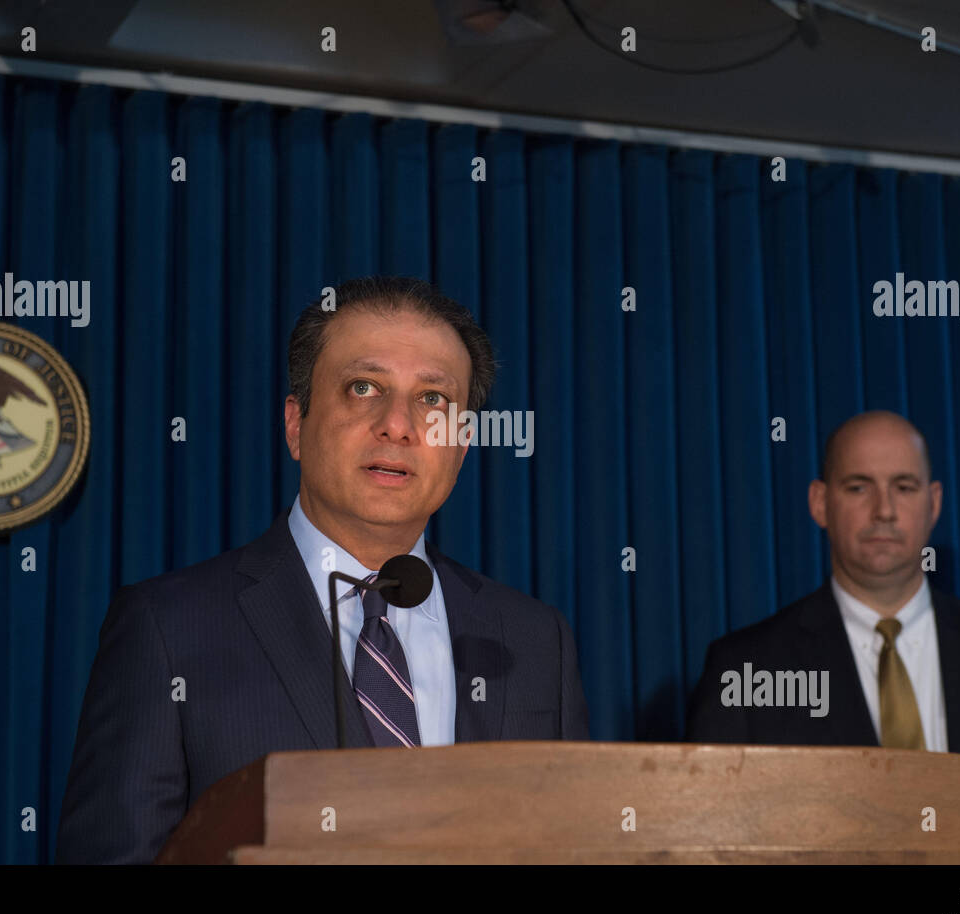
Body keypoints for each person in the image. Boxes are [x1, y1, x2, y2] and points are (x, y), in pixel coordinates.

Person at [57, 276, 590, 863]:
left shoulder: (536, 639)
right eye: (363, 387)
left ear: (461, 445)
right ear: (295, 425)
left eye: (433, 399)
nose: (398, 424)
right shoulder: (167, 629)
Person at [685, 410, 960, 764]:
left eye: (904, 487)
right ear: (819, 503)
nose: (883, 510)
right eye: (859, 487)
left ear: (933, 503)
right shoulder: (745, 671)